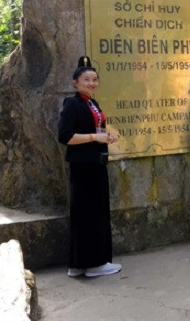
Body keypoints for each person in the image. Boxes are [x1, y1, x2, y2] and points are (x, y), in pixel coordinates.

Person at [58, 56, 121, 278]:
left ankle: (79, 264)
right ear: (75, 82)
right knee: (88, 213)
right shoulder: (72, 104)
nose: (92, 83)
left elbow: (96, 130)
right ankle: (93, 264)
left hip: (94, 163)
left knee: (89, 212)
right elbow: (65, 136)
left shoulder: (92, 103)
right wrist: (96, 137)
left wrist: (107, 136)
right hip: (83, 165)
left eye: (95, 79)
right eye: (87, 79)